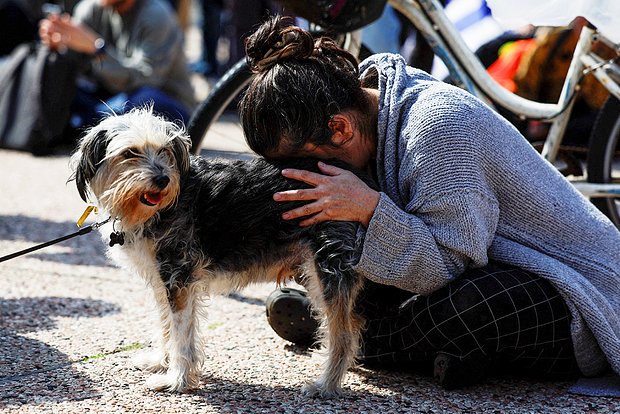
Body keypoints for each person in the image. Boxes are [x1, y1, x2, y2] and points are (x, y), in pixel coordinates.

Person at [239, 16, 620, 389]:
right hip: (479, 262)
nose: (303, 173)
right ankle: (417, 344)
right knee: (341, 274)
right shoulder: (370, 115)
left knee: (471, 305)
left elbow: (449, 265)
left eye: (300, 163)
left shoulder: (437, 127)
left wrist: (369, 208)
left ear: (340, 128)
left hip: (577, 293)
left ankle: (351, 336)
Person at [38, 0, 197, 130]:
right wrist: (59, 43)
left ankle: (84, 123)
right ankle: (87, 122)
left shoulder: (157, 15)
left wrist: (97, 48)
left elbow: (145, 79)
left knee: (143, 100)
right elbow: (75, 69)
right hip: (108, 97)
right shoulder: (91, 8)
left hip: (164, 101)